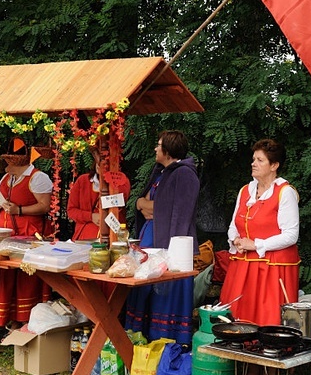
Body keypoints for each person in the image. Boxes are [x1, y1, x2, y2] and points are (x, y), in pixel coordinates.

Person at [124, 130, 199, 345]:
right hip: (151, 238)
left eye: (159, 145)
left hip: (170, 245)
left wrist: (148, 206)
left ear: (167, 150)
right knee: (145, 288)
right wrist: (142, 204)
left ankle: (166, 341)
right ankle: (139, 339)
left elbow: (178, 212)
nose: (155, 149)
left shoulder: (185, 174)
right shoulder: (161, 172)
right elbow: (143, 204)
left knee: (166, 292)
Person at [219, 138, 300, 325]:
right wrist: (236, 240)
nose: (253, 163)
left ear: (274, 165)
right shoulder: (245, 190)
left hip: (272, 268)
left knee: (267, 319)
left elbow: (290, 235)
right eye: (254, 159)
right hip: (243, 265)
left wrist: (256, 244)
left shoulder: (284, 192)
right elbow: (234, 225)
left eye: (260, 160)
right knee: (237, 317)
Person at [0, 138, 52, 332]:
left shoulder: (38, 178)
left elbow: (44, 206)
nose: (6, 164)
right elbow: (3, 202)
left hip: (28, 232)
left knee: (23, 277)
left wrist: (19, 210)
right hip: (6, 231)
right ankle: (3, 316)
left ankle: (22, 319)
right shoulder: (6, 178)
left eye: (9, 160)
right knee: (3, 275)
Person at [67, 148, 130, 242]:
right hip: (85, 236)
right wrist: (90, 216)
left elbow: (121, 202)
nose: (101, 164)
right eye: (99, 160)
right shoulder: (82, 181)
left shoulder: (121, 181)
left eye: (106, 162)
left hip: (113, 235)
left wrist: (109, 179)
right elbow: (71, 211)